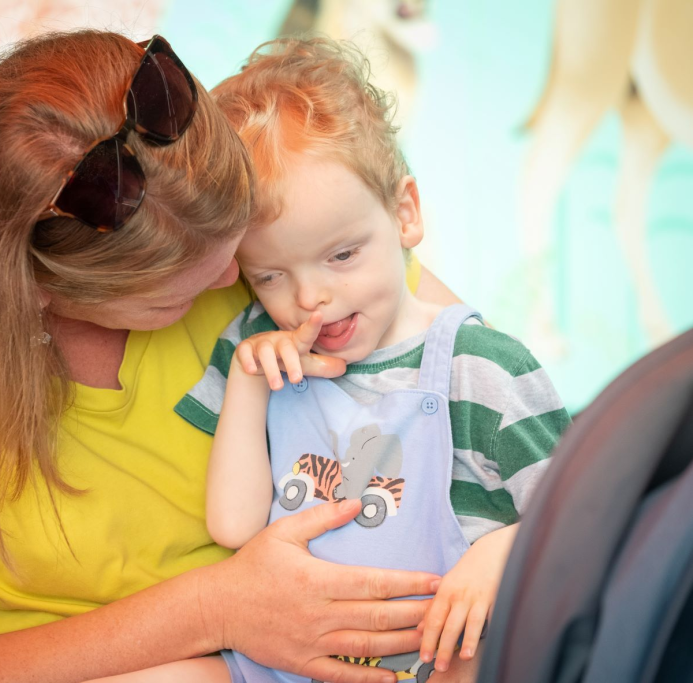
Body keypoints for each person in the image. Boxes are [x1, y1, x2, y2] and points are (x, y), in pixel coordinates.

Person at [0, 31, 462, 683]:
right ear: (37, 294)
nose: (237, 283)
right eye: (176, 297)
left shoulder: (208, 207)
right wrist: (218, 608)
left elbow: (457, 360)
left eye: (248, 254)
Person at [159, 37, 566, 682]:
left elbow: (582, 519)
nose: (310, 297)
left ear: (405, 214)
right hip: (277, 665)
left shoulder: (480, 367)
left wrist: (499, 553)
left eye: (342, 255)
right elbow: (235, 526)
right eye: (270, 276)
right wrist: (247, 383)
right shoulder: (255, 348)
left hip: (436, 664)